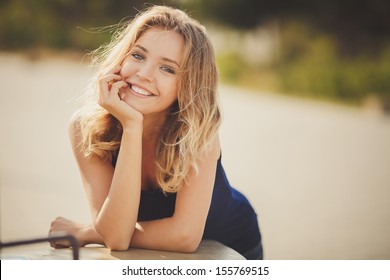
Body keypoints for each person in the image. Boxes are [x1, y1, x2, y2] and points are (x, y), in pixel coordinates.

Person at [49, 5, 263, 260]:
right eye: (138, 56)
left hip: (232, 246)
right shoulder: (87, 129)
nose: (144, 74)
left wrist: (91, 232)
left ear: (188, 85)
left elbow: (184, 237)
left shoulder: (198, 132)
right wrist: (131, 126)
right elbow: (116, 238)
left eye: (168, 68)